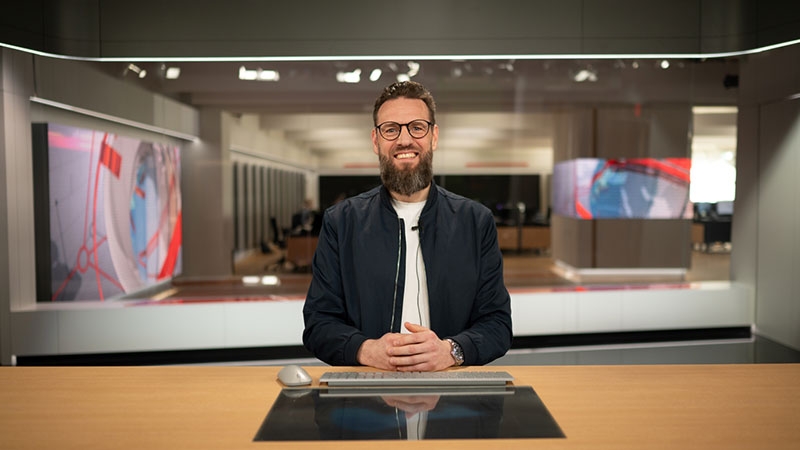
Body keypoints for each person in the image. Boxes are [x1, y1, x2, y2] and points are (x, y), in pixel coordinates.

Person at [302, 81, 512, 371]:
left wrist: (451, 351)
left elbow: (498, 325)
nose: (404, 140)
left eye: (417, 127)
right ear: (376, 141)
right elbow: (318, 324)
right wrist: (366, 350)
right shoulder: (341, 222)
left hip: (453, 396)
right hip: (368, 399)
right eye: (391, 129)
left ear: (433, 136)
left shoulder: (475, 221)